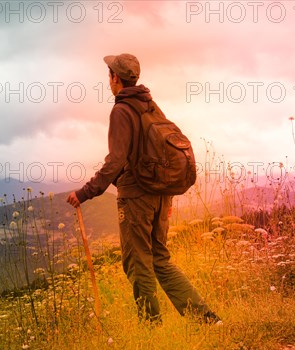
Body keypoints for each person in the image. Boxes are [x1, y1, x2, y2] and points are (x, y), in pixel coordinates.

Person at [66, 53, 221, 325]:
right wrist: (167, 200)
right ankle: (206, 320)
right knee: (160, 259)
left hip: (137, 197)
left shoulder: (122, 111)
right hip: (160, 195)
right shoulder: (151, 106)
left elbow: (116, 160)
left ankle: (150, 328)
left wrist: (84, 193)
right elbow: (163, 155)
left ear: (115, 78)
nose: (109, 80)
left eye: (109, 75)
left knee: (138, 263)